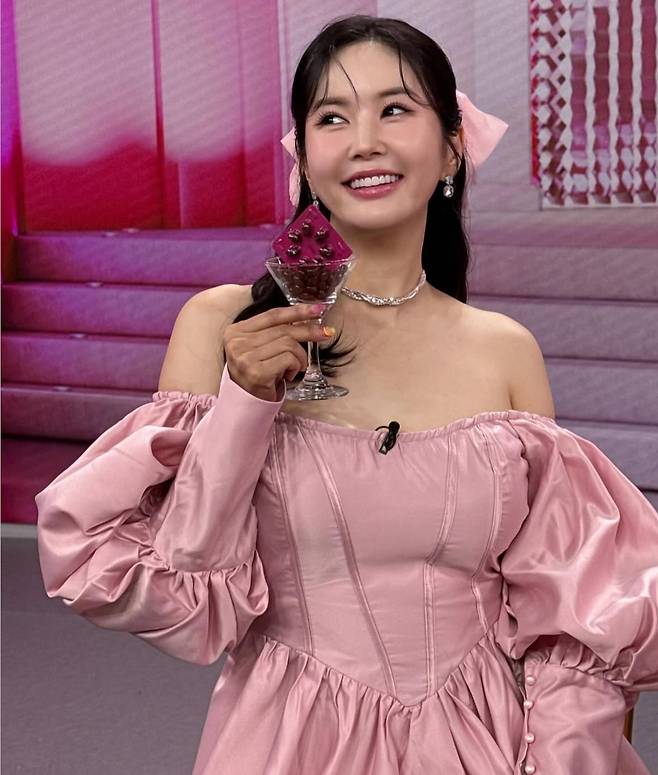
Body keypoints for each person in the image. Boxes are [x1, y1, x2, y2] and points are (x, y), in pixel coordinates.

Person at [36, 14, 658, 775]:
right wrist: (245, 400)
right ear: (304, 158)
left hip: (487, 739)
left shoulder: (504, 350)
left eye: (395, 109)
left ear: (452, 146)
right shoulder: (222, 323)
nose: (364, 140)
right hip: (292, 740)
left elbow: (567, 611)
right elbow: (182, 595)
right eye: (332, 117)